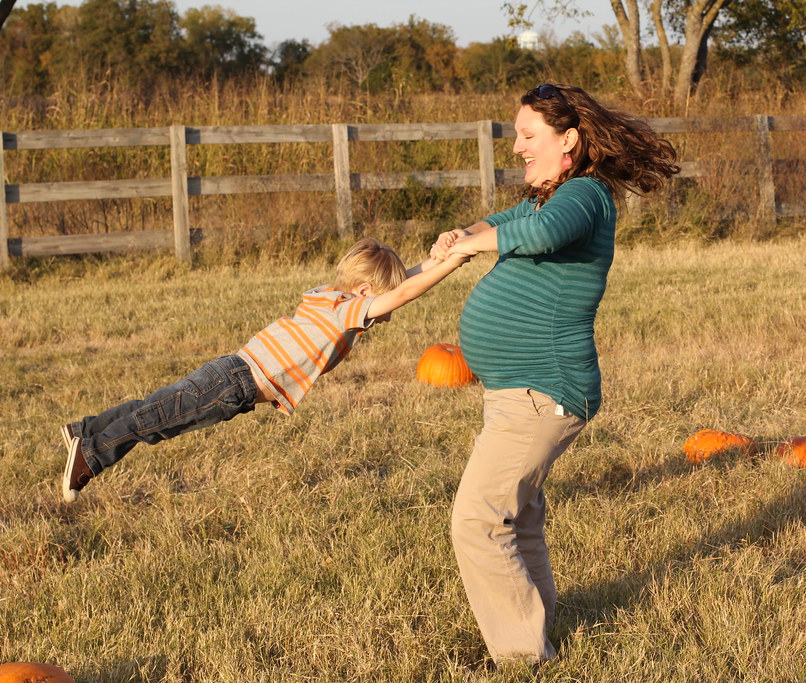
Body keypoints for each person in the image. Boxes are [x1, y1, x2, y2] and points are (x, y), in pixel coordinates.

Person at [432, 84, 680, 666]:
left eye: (528, 135)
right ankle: (537, 630)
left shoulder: (585, 196)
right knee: (516, 520)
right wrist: (464, 235)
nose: (517, 146)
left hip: (543, 392)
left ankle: (525, 658)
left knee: (477, 519)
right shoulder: (548, 198)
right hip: (520, 392)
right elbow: (506, 220)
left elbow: (540, 234)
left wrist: (479, 243)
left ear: (568, 140)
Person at [59, 238, 469, 504]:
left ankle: (86, 430)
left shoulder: (330, 296)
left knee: (158, 408)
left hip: (231, 374)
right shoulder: (347, 311)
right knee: (159, 420)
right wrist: (454, 263)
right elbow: (404, 292)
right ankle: (91, 456)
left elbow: (401, 283)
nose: (388, 310)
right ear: (364, 293)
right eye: (382, 299)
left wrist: (435, 259)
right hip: (233, 385)